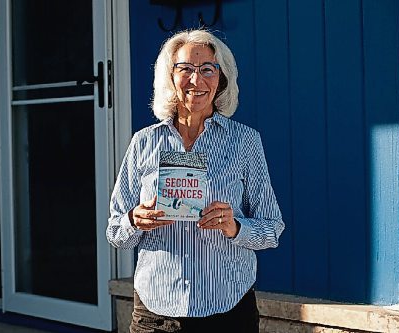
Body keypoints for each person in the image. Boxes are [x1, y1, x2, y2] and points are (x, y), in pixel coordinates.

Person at [107, 29, 285, 333]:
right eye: (185, 69)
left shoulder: (244, 142)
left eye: (207, 70)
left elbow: (272, 229)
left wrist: (235, 227)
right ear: (170, 77)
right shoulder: (144, 142)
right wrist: (134, 220)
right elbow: (115, 231)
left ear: (221, 79)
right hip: (156, 311)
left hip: (227, 308)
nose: (196, 79)